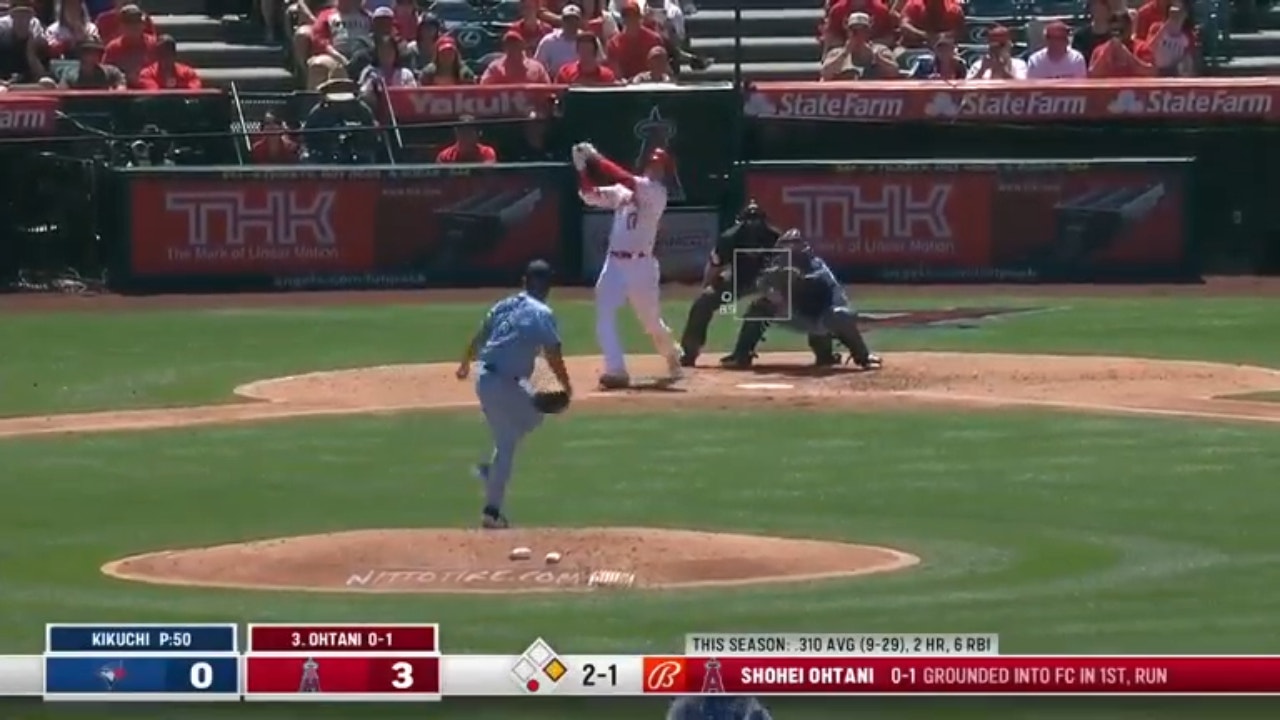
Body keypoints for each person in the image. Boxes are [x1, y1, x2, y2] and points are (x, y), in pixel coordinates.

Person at [456, 259, 572, 530]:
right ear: (548, 286)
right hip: (504, 384)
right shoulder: (541, 311)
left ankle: (492, 507)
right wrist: (566, 385)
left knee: (507, 441)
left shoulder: (504, 304)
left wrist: (464, 362)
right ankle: (493, 494)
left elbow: (480, 336)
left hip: (485, 379)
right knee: (535, 416)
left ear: (524, 281)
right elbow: (553, 353)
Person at [573, 141, 683, 388]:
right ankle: (616, 370)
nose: (654, 169)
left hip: (642, 267)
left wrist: (596, 159)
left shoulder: (656, 193)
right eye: (652, 165)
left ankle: (671, 353)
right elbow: (589, 194)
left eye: (659, 167)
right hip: (614, 264)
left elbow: (625, 178)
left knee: (651, 322)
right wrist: (582, 169)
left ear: (665, 173)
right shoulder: (623, 192)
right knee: (605, 315)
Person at [721, 229, 881, 370]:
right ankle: (741, 354)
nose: (788, 253)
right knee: (758, 307)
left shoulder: (816, 266)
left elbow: (821, 287)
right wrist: (771, 292)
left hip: (823, 317)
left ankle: (862, 356)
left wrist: (799, 280)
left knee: (837, 316)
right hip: (796, 314)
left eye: (792, 249)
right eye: (785, 249)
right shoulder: (778, 267)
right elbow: (761, 283)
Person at [677, 199, 784, 368]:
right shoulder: (730, 238)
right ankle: (690, 351)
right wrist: (708, 289)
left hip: (766, 280)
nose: (753, 225)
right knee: (704, 302)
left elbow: (786, 270)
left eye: (756, 221)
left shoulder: (776, 238)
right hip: (738, 279)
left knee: (761, 306)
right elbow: (715, 267)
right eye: (750, 221)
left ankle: (742, 353)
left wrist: (776, 291)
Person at [819, 12, 897, 81]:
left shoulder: (881, 50)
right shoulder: (836, 53)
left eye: (863, 30)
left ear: (868, 32)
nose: (859, 34)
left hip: (875, 95)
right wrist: (845, 53)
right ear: (848, 32)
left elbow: (894, 72)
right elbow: (825, 74)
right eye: (854, 31)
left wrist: (876, 56)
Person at [480, 31, 552, 84]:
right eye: (509, 44)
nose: (513, 47)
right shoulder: (495, 67)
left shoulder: (537, 67)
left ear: (523, 45)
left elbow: (548, 88)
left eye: (516, 44)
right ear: (505, 47)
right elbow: (484, 86)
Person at [534, 3, 584, 77]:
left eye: (574, 20)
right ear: (562, 21)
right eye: (567, 20)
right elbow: (538, 65)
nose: (571, 23)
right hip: (555, 84)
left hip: (581, 84)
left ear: (579, 22)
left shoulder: (588, 40)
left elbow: (599, 63)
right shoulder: (549, 41)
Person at [57, 37, 125, 88]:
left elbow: (122, 89)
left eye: (95, 53)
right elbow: (62, 95)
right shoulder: (69, 74)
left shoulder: (111, 72)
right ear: (80, 54)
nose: (91, 56)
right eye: (87, 52)